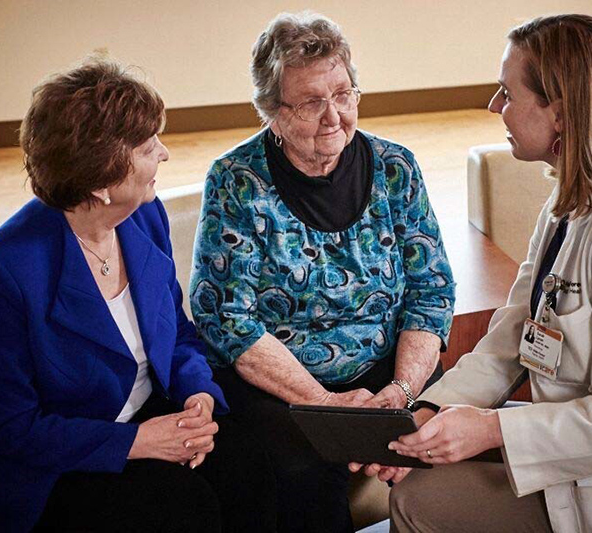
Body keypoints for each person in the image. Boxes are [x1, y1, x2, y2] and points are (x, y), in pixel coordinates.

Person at [358, 14, 592, 533]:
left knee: (424, 502)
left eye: (506, 93)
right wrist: (426, 413)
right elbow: (514, 334)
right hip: (576, 463)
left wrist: (493, 429)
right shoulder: (569, 200)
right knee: (418, 493)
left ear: (559, 111)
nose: (494, 107)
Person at [0, 59, 276, 533]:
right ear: (100, 182)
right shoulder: (7, 269)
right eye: (147, 146)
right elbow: (9, 426)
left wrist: (196, 394)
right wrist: (135, 442)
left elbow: (178, 333)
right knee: (179, 509)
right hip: (58, 463)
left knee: (263, 464)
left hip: (148, 414)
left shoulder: (143, 216)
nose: (163, 153)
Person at [189, 11, 455, 532]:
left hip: (389, 373)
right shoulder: (236, 181)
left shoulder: (395, 167)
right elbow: (228, 318)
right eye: (311, 101)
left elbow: (432, 290)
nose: (333, 115)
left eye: (343, 93)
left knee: (438, 452)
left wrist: (399, 395)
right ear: (272, 112)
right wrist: (328, 406)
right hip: (282, 385)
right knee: (294, 478)